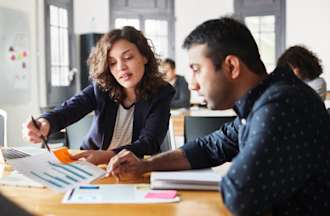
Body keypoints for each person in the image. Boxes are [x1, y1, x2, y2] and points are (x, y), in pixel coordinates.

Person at [107, 17, 330, 215]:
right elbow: (209, 147)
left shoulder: (281, 105)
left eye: (196, 69)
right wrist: (145, 166)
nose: (193, 84)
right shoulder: (262, 101)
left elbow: (240, 196)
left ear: (231, 66)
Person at [22, 26, 175, 165]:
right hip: (92, 164)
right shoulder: (102, 88)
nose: (121, 67)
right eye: (112, 62)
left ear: (144, 57)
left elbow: (149, 143)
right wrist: (46, 122)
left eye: (128, 58)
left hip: (135, 166)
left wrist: (107, 155)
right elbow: (70, 108)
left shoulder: (161, 92)